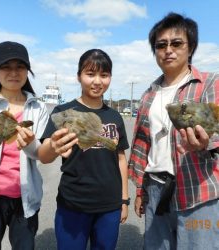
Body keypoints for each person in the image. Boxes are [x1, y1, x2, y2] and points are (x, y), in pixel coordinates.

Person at [128, 12, 219, 250]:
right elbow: (143, 146)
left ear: (190, 48)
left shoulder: (209, 84)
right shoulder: (149, 95)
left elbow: (217, 132)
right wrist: (140, 191)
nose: (168, 50)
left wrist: (205, 142)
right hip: (155, 189)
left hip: (198, 191)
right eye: (161, 45)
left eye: (177, 43)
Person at [38, 49, 130, 250]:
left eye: (104, 75)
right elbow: (44, 156)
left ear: (110, 78)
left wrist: (124, 200)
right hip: (73, 203)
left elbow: (121, 159)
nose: (97, 81)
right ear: (79, 76)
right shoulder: (63, 112)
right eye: (90, 74)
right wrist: (53, 146)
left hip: (110, 205)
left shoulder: (115, 117)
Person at [0, 41, 49, 250]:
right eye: (6, 67)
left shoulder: (38, 107)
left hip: (25, 198)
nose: (13, 72)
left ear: (27, 71)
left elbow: (40, 152)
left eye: (20, 67)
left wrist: (32, 144)